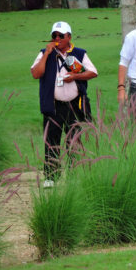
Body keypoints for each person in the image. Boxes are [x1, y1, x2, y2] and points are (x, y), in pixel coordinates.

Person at [31, 21, 98, 188]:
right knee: (51, 140)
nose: (57, 38)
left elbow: (93, 72)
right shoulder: (45, 53)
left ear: (69, 37)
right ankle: (51, 176)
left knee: (74, 141)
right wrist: (47, 53)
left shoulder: (79, 53)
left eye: (61, 36)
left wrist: (75, 76)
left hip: (74, 105)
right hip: (53, 105)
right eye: (54, 35)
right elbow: (36, 73)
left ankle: (74, 175)